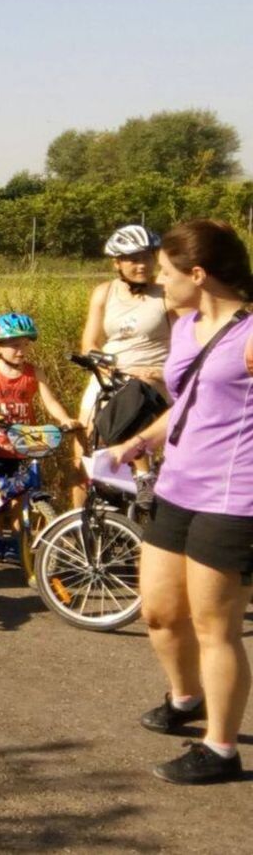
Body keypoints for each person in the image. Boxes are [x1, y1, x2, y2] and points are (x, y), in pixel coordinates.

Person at [113, 219, 253, 786]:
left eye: (167, 274)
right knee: (161, 613)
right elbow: (192, 396)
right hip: (177, 486)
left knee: (215, 626)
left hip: (233, 497)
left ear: (198, 274)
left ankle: (220, 748)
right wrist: (143, 438)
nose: (160, 283)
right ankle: (186, 696)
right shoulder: (189, 323)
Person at [71, 225, 173, 504]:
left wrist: (162, 372)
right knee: (82, 445)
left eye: (147, 257)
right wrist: (98, 363)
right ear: (117, 262)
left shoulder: (167, 294)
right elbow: (90, 342)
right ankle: (78, 526)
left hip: (151, 377)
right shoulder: (104, 292)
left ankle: (143, 483)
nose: (141, 265)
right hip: (109, 373)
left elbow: (187, 341)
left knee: (132, 421)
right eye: (132, 258)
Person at [0, 313, 78, 566]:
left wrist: (65, 419)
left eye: (25, 344)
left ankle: (18, 540)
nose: (21, 350)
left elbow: (49, 400)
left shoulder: (33, 372)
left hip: (23, 444)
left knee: (20, 495)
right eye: (15, 345)